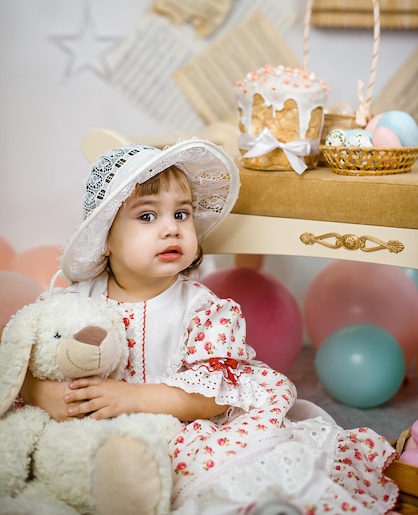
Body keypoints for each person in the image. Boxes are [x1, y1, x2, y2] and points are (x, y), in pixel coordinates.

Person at [20, 139, 400, 515]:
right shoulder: (78, 300)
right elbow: (26, 358)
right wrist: (41, 393)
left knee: (238, 470)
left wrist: (132, 398)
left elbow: (213, 396)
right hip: (99, 432)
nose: (171, 229)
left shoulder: (202, 309)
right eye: (148, 216)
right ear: (105, 240)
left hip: (184, 425)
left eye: (181, 214)